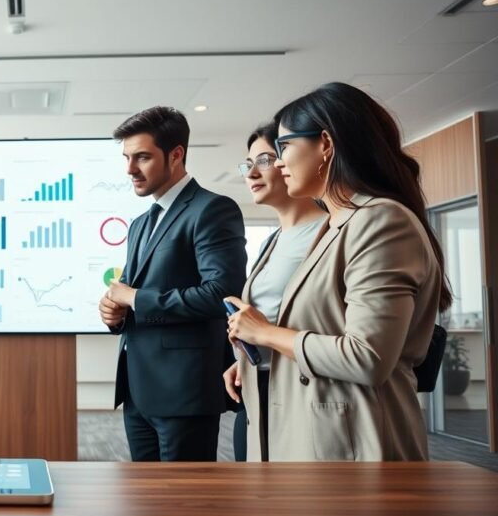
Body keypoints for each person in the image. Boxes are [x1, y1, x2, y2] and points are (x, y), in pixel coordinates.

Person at [225, 82, 451, 461]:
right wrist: (261, 354)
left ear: (325, 145)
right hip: (308, 431)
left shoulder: (382, 220)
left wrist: (265, 332)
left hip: (353, 441)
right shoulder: (337, 224)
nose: (278, 163)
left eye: (284, 148)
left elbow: (367, 356)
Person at [99, 106, 247, 461]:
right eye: (127, 158)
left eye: (142, 157)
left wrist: (136, 298)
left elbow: (220, 295)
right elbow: (137, 295)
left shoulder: (212, 210)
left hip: (185, 392)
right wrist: (115, 314)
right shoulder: (139, 223)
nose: (130, 169)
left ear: (176, 154)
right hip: (139, 390)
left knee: (185, 508)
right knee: (145, 506)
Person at [222, 122, 327, 462]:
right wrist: (248, 356)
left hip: (302, 394)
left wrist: (263, 334)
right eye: (247, 163)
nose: (251, 172)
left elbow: (328, 323)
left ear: (288, 162)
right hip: (258, 385)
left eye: (265, 160)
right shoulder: (273, 240)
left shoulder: (328, 234)